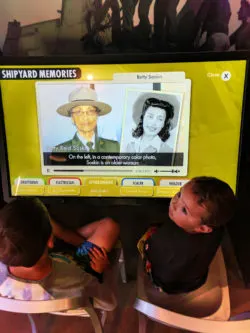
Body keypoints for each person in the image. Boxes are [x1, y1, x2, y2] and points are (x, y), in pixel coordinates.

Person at [0, 198, 120, 308]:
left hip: (56, 269)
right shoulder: (80, 279)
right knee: (109, 226)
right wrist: (100, 271)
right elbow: (109, 304)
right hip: (77, 268)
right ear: (51, 240)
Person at [137, 176, 236, 294]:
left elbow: (150, 250)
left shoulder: (168, 244)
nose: (174, 203)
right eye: (179, 194)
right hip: (195, 280)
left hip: (165, 283)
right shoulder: (217, 227)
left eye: (184, 210)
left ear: (203, 228)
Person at [53, 86, 120, 153]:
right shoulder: (60, 151)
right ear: (72, 118)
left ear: (97, 115)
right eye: (78, 112)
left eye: (90, 111)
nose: (85, 117)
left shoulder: (114, 147)